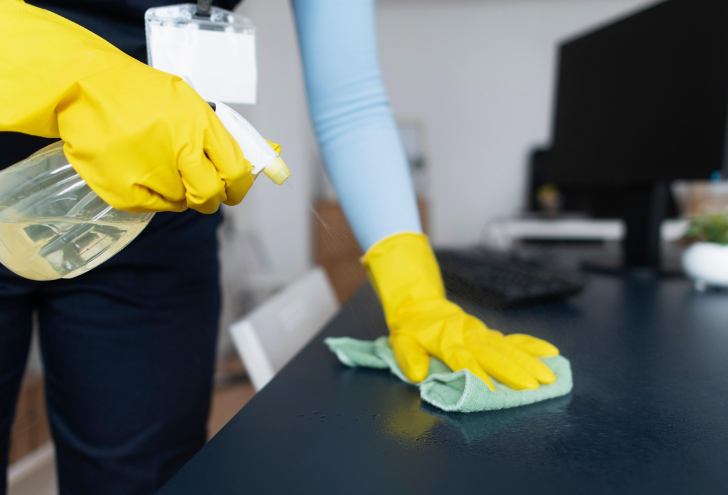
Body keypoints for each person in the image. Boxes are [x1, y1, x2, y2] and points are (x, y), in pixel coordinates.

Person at [0, 0, 560, 493]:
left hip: (157, 210)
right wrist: (78, 77)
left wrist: (415, 292)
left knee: (143, 477)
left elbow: (351, 100)